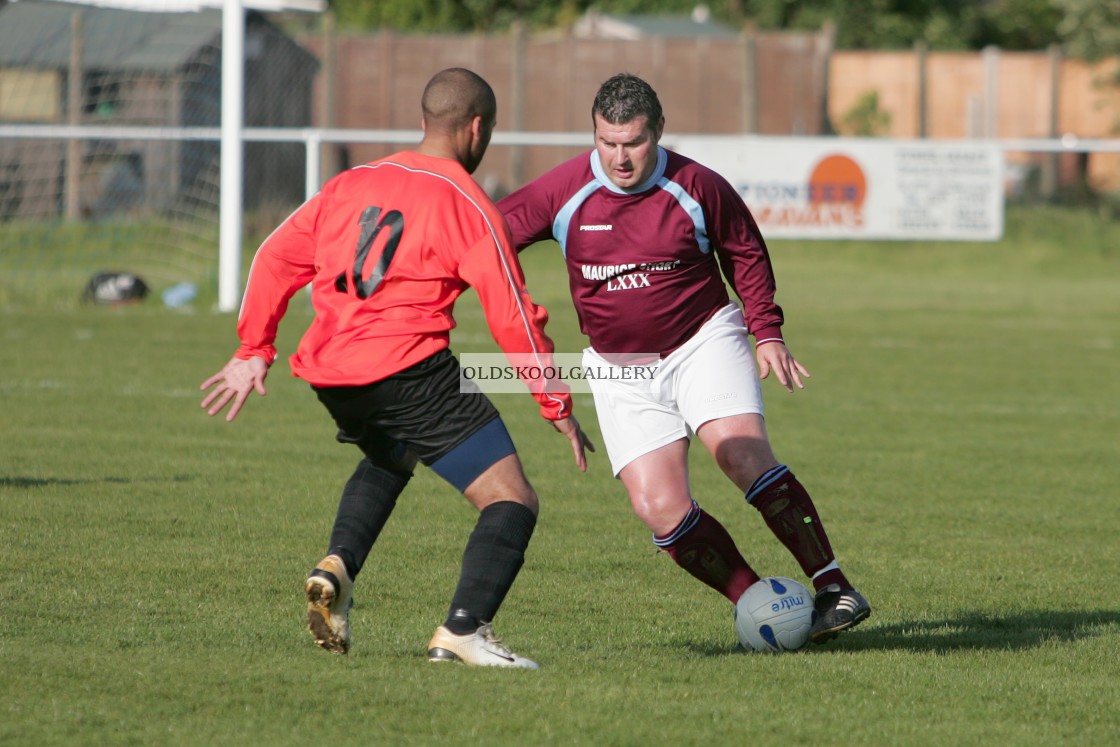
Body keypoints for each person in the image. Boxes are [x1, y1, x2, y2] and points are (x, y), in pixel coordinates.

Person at [200, 67, 593, 669]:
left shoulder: (352, 183)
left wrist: (255, 347)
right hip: (408, 370)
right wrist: (556, 404)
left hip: (334, 375)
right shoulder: (468, 203)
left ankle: (337, 567)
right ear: (478, 127)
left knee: (390, 453)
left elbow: (275, 255)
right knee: (511, 499)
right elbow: (513, 315)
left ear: (424, 121)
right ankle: (464, 631)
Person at [497, 73, 870, 644]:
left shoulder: (698, 185)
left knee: (739, 452)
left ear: (659, 133)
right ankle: (759, 604)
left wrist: (765, 330)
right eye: (607, 142)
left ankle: (834, 585)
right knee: (658, 507)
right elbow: (487, 238)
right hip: (619, 368)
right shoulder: (563, 191)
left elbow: (745, 250)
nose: (620, 157)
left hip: (702, 340)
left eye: (634, 142)